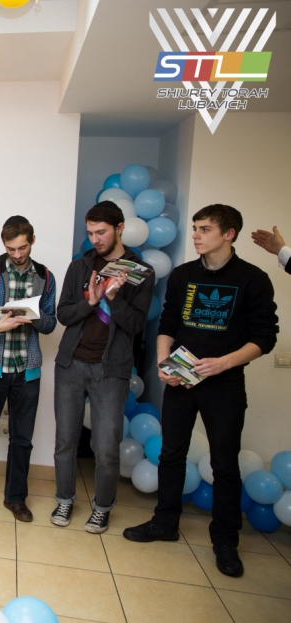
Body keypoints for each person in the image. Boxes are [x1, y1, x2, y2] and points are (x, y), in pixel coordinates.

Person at [124, 205, 278, 578]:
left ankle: (225, 541)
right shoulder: (183, 275)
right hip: (182, 379)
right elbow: (168, 323)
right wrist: (163, 362)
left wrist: (224, 363)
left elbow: (264, 338)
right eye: (195, 228)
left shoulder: (252, 278)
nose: (195, 235)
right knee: (171, 455)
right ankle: (165, 522)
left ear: (229, 234)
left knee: (224, 464)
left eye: (205, 229)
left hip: (224, 384)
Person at [52, 201, 154, 534]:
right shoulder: (79, 266)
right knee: (65, 441)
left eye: (101, 232)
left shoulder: (141, 272)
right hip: (71, 364)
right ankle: (64, 498)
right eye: (91, 233)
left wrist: (113, 298)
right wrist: (91, 301)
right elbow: (64, 315)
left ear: (119, 228)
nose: (95, 239)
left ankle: (102, 507)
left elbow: (136, 324)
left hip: (111, 370)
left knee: (107, 447)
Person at [0, 216, 57, 522]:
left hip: (27, 370)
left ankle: (16, 499)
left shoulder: (45, 276)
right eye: (11, 248)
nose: (17, 254)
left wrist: (34, 316)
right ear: (4, 244)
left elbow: (51, 323)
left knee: (22, 440)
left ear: (32, 240)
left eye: (22, 247)